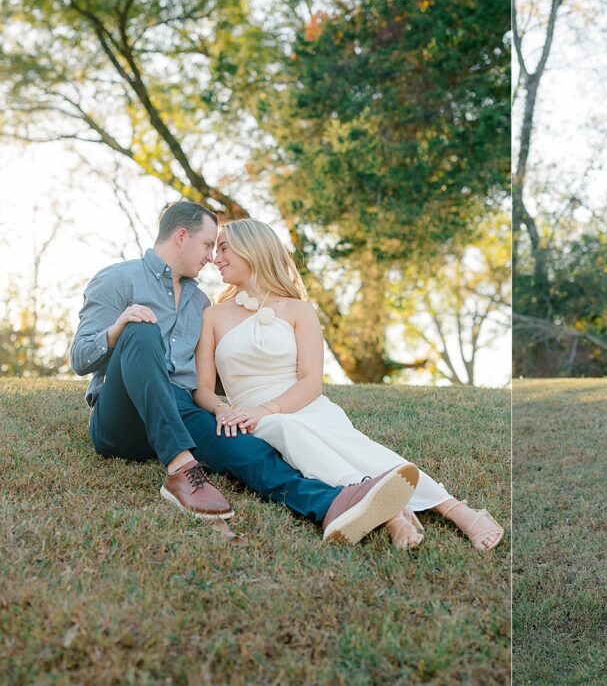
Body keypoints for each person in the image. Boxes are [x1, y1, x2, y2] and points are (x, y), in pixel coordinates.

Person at [70, 201, 419, 545]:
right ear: (181, 236)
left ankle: (331, 505)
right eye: (208, 245)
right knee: (141, 328)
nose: (211, 257)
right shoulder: (117, 279)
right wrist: (118, 329)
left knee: (249, 449)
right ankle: (181, 470)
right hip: (123, 417)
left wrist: (242, 402)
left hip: (181, 410)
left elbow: (215, 375)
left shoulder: (200, 303)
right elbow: (80, 357)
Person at [192, 218, 504, 552]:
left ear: (252, 249)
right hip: (252, 417)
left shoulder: (299, 310)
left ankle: (457, 511)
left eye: (223, 248)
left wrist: (267, 408)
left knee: (359, 449)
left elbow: (311, 382)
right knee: (286, 429)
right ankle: (390, 515)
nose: (214, 258)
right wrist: (224, 410)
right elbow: (202, 388)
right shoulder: (213, 315)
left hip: (301, 404)